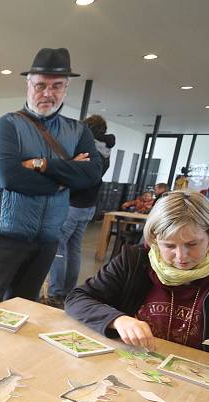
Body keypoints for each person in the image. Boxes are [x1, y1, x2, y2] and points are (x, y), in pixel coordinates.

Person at [65, 192, 209, 374]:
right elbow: (77, 298)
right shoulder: (134, 259)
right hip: (134, 367)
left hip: (201, 378)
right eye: (169, 246)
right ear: (154, 240)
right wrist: (117, 319)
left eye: (192, 244)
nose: (181, 257)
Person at [0, 47, 102, 302]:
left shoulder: (78, 131)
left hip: (47, 239)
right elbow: (12, 178)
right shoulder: (6, 126)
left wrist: (41, 164)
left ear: (66, 89)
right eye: (40, 85)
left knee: (23, 311)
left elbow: (91, 175)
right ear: (28, 85)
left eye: (57, 86)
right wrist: (65, 179)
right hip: (0, 236)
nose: (47, 93)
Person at [47, 114, 115, 306]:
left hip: (73, 204)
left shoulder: (88, 149)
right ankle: (68, 291)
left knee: (58, 248)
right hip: (89, 205)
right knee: (74, 249)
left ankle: (56, 292)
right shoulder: (106, 151)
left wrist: (69, 165)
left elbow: (74, 174)